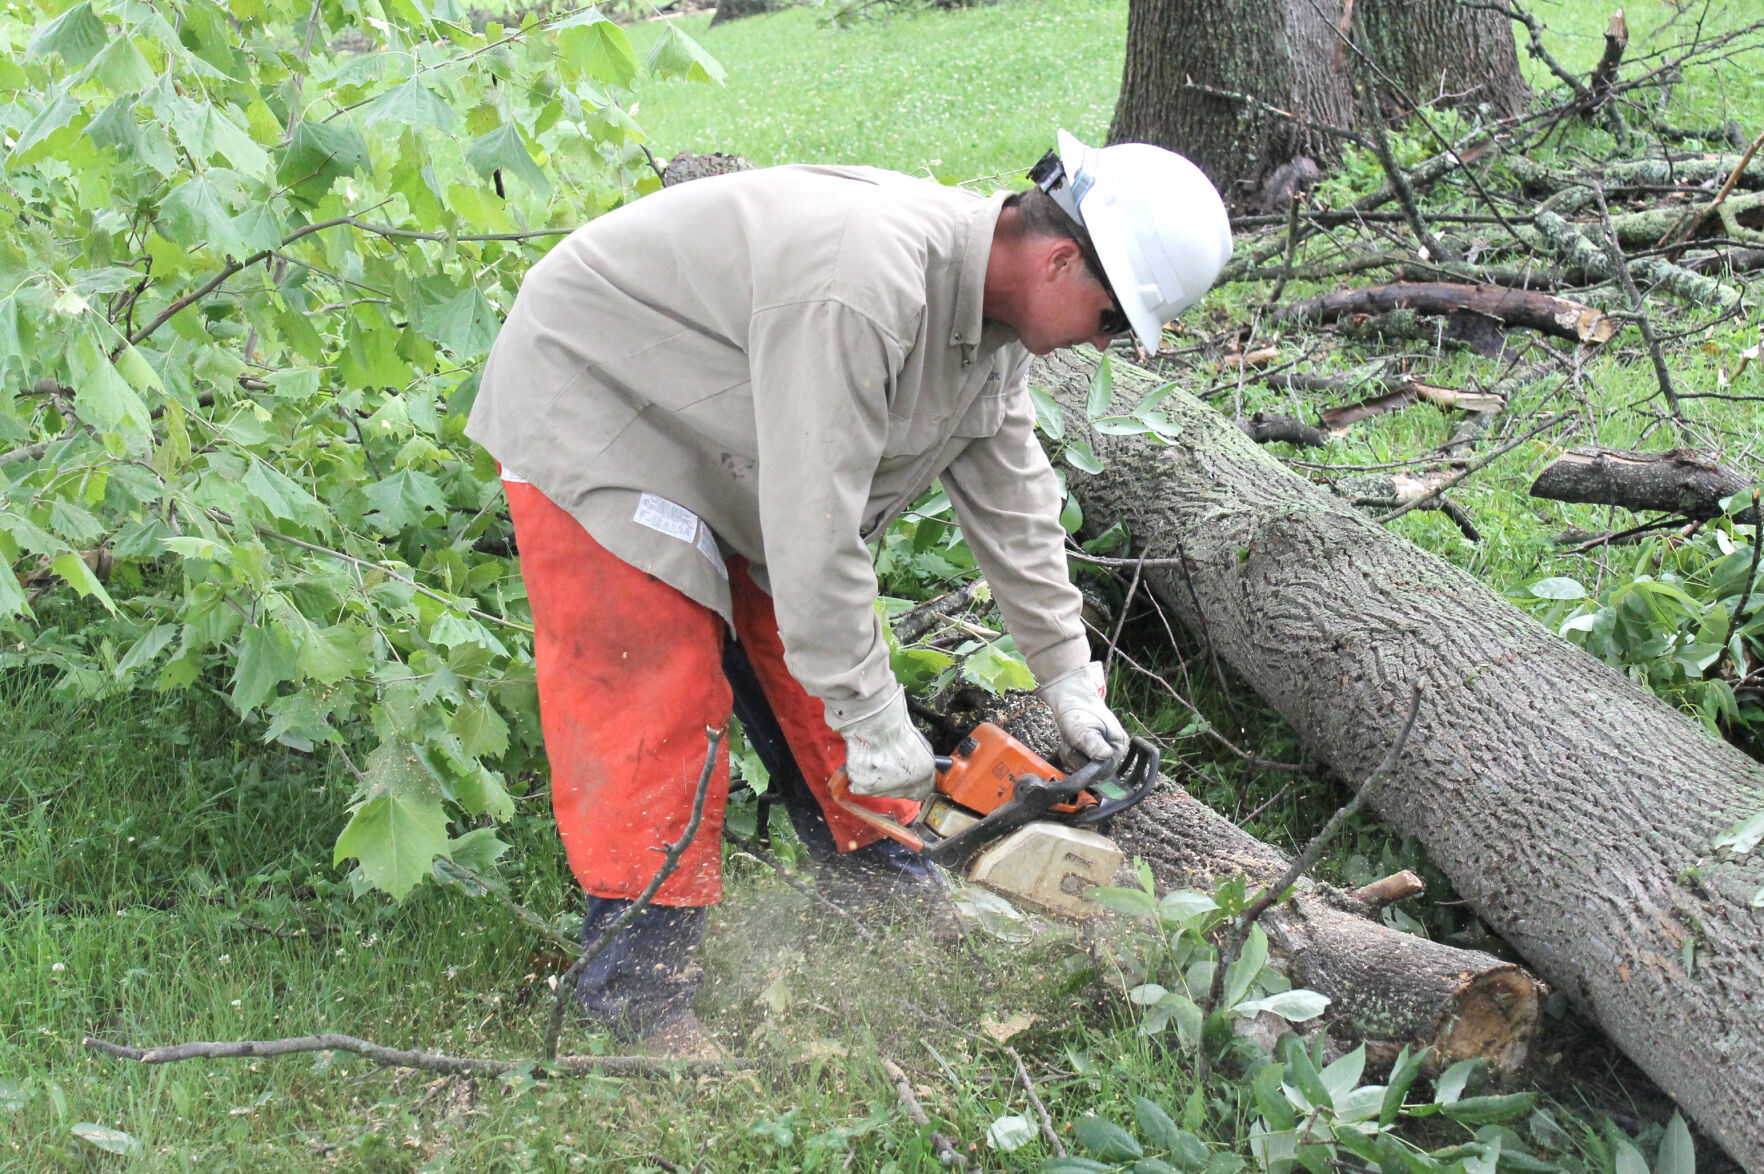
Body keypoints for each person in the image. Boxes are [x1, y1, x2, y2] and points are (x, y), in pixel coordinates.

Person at [466, 131, 1232, 1056]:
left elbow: (1013, 493)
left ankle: (884, 897)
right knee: (656, 687)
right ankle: (635, 999)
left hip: (721, 424)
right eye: (1112, 321)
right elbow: (814, 528)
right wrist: (874, 718)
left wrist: (1067, 673)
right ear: (1063, 259)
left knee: (820, 676)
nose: (1103, 342)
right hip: (599, 399)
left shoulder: (991, 326)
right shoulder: (865, 286)